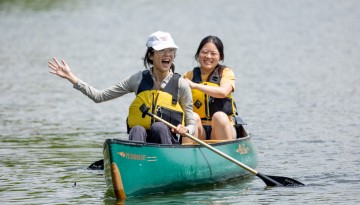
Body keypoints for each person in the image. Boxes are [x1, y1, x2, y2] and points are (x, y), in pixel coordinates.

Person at [48, 31, 195, 145]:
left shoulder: (180, 84)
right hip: (142, 143)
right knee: (137, 129)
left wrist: (186, 129)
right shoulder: (137, 79)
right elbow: (99, 96)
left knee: (159, 127)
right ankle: (136, 165)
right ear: (151, 55)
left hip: (168, 143)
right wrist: (71, 77)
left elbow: (191, 123)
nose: (167, 54)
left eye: (171, 50)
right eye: (162, 50)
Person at [183, 35, 238, 141]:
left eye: (213, 53)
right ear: (198, 54)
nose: (208, 56)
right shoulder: (188, 76)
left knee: (219, 116)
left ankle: (226, 152)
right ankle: (186, 153)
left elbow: (223, 92)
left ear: (220, 57)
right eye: (204, 52)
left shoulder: (226, 72)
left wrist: (195, 85)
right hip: (200, 130)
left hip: (222, 127)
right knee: (192, 117)